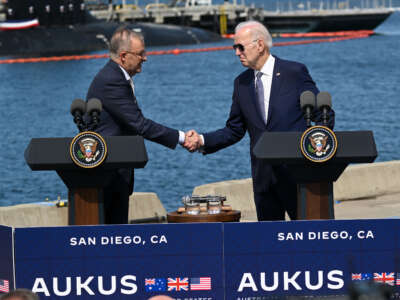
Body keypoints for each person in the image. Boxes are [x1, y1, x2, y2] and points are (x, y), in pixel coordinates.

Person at [184, 20, 334, 221]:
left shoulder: (294, 73)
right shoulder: (241, 83)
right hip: (264, 179)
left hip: (298, 177)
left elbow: (323, 118)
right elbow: (234, 130)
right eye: (235, 47)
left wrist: (317, 148)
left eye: (240, 47)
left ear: (260, 45)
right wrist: (202, 140)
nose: (237, 53)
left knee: (306, 239)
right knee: (269, 244)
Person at [86, 26, 189, 224]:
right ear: (124, 56)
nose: (145, 58)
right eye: (141, 54)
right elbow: (140, 125)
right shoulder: (112, 80)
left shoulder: (117, 76)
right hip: (108, 172)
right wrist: (182, 138)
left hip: (116, 170)